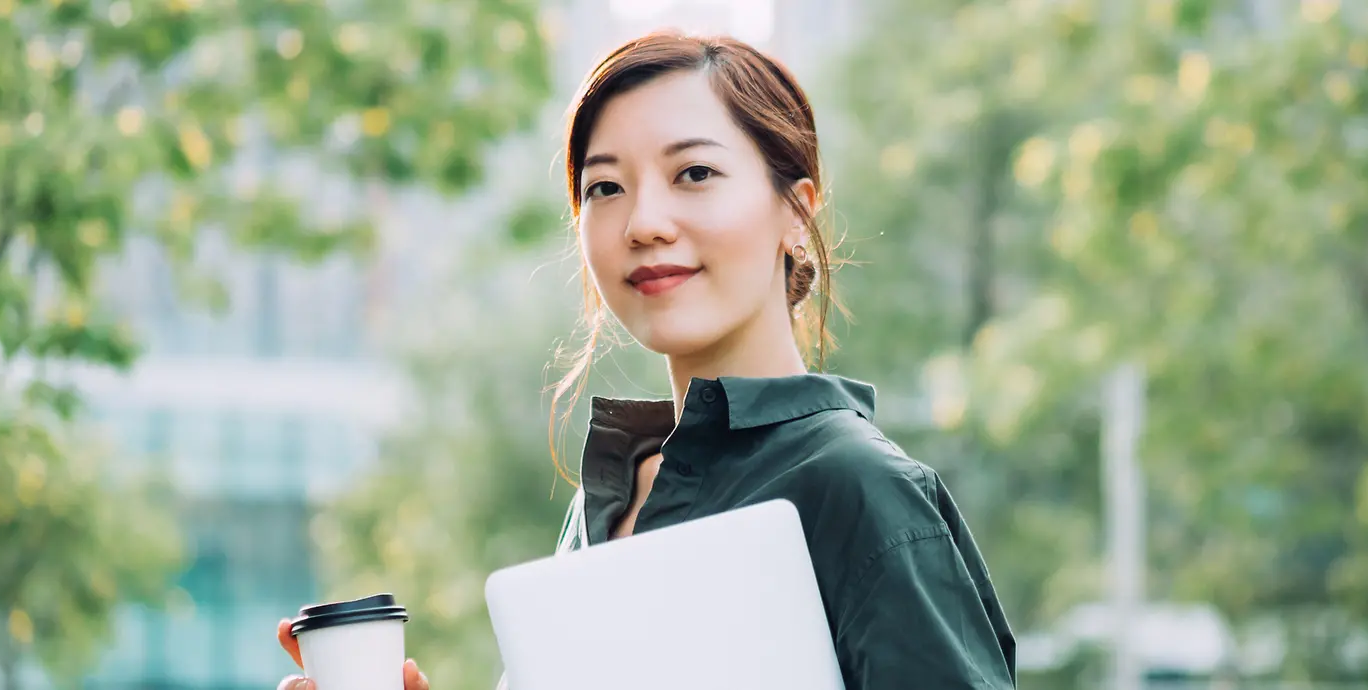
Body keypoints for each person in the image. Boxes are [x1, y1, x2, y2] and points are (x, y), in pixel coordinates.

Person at [275, 30, 1016, 690]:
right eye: (605, 188)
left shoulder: (859, 489)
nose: (644, 223)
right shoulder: (604, 504)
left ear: (796, 210)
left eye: (694, 173)